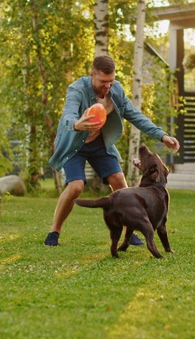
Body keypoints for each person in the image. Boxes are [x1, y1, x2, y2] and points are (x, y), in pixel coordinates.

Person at [44, 55, 180, 247]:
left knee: (119, 181)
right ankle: (54, 232)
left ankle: (129, 231)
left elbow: (135, 115)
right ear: (92, 75)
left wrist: (162, 136)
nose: (107, 86)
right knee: (75, 187)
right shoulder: (77, 89)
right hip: (75, 145)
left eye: (111, 81)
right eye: (103, 82)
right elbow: (68, 114)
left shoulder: (116, 91)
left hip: (100, 144)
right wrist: (76, 124)